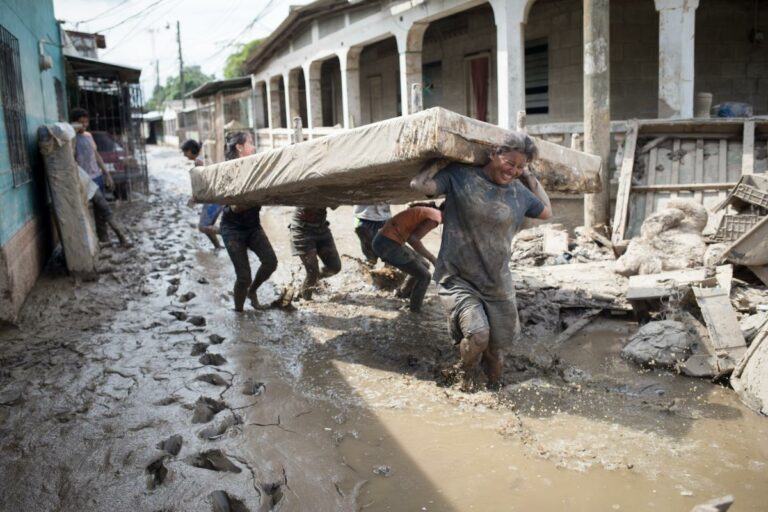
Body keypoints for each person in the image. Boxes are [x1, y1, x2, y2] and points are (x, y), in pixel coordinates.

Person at [410, 133, 552, 389]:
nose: (513, 171)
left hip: (497, 284)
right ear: (493, 153)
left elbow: (546, 210)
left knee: (496, 354)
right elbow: (419, 185)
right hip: (457, 277)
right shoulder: (461, 176)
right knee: (478, 336)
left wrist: (529, 176)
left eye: (520, 166)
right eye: (510, 163)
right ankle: (463, 372)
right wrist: (439, 162)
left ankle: (494, 393)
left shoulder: (519, 193)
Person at [218, 132, 278, 312]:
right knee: (244, 276)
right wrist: (257, 196)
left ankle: (252, 292)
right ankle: (238, 313)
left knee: (270, 262)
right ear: (239, 147)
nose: (254, 147)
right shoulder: (229, 170)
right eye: (250, 143)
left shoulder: (255, 168)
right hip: (232, 229)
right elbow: (235, 207)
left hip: (252, 226)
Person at [372, 203, 442, 313]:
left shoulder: (429, 211)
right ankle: (415, 311)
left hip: (384, 240)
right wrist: (433, 258)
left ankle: (403, 294)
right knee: (425, 276)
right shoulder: (437, 216)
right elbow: (413, 239)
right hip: (387, 243)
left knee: (424, 265)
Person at [290, 207, 341, 300]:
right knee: (312, 272)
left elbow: (336, 202)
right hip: (301, 230)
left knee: (334, 267)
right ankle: (306, 300)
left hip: (322, 228)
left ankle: (313, 281)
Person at [182, 139, 223, 249]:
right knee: (206, 225)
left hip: (214, 197)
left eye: (185, 152)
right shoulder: (203, 156)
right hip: (217, 194)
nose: (185, 155)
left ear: (190, 150)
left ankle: (233, 234)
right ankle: (218, 247)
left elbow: (202, 182)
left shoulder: (199, 161)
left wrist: (195, 197)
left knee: (203, 227)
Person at [71, 108, 113, 193]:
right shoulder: (71, 138)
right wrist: (74, 132)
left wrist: (107, 174)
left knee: (100, 202)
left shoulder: (88, 136)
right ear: (74, 123)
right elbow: (70, 157)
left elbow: (96, 156)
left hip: (97, 176)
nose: (85, 125)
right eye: (81, 122)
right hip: (82, 179)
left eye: (86, 122)